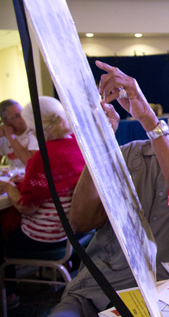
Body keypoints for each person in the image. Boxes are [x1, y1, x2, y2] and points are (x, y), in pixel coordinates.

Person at [50, 61, 169, 317]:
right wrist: (100, 142)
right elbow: (81, 221)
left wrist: (149, 120)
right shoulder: (129, 153)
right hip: (100, 286)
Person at [0, 96, 85, 310]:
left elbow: (25, 206)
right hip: (73, 234)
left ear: (38, 127)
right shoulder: (76, 143)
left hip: (46, 238)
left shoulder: (43, 157)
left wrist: (8, 187)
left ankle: (9, 297)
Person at [0, 99, 38, 168]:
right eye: (17, 116)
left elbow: (32, 164)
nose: (22, 117)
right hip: (14, 177)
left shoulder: (34, 131)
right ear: (5, 121)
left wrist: (10, 137)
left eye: (22, 112)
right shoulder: (3, 137)